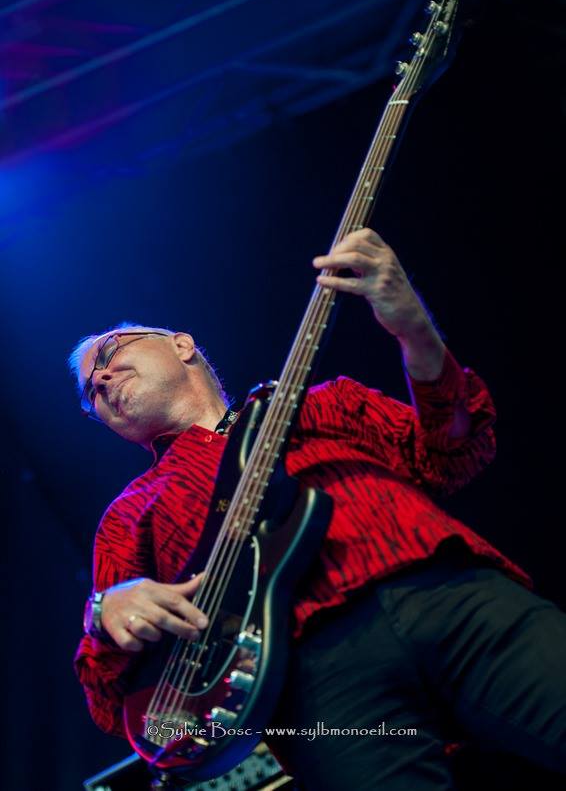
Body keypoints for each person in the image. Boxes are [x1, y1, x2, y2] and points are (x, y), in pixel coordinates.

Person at [72, 228, 566, 790]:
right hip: (314, 691)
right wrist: (104, 613)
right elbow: (114, 703)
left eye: (110, 354)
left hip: (447, 594)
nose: (101, 379)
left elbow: (455, 452)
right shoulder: (128, 514)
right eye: (90, 393)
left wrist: (415, 330)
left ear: (182, 345)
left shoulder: (322, 403)